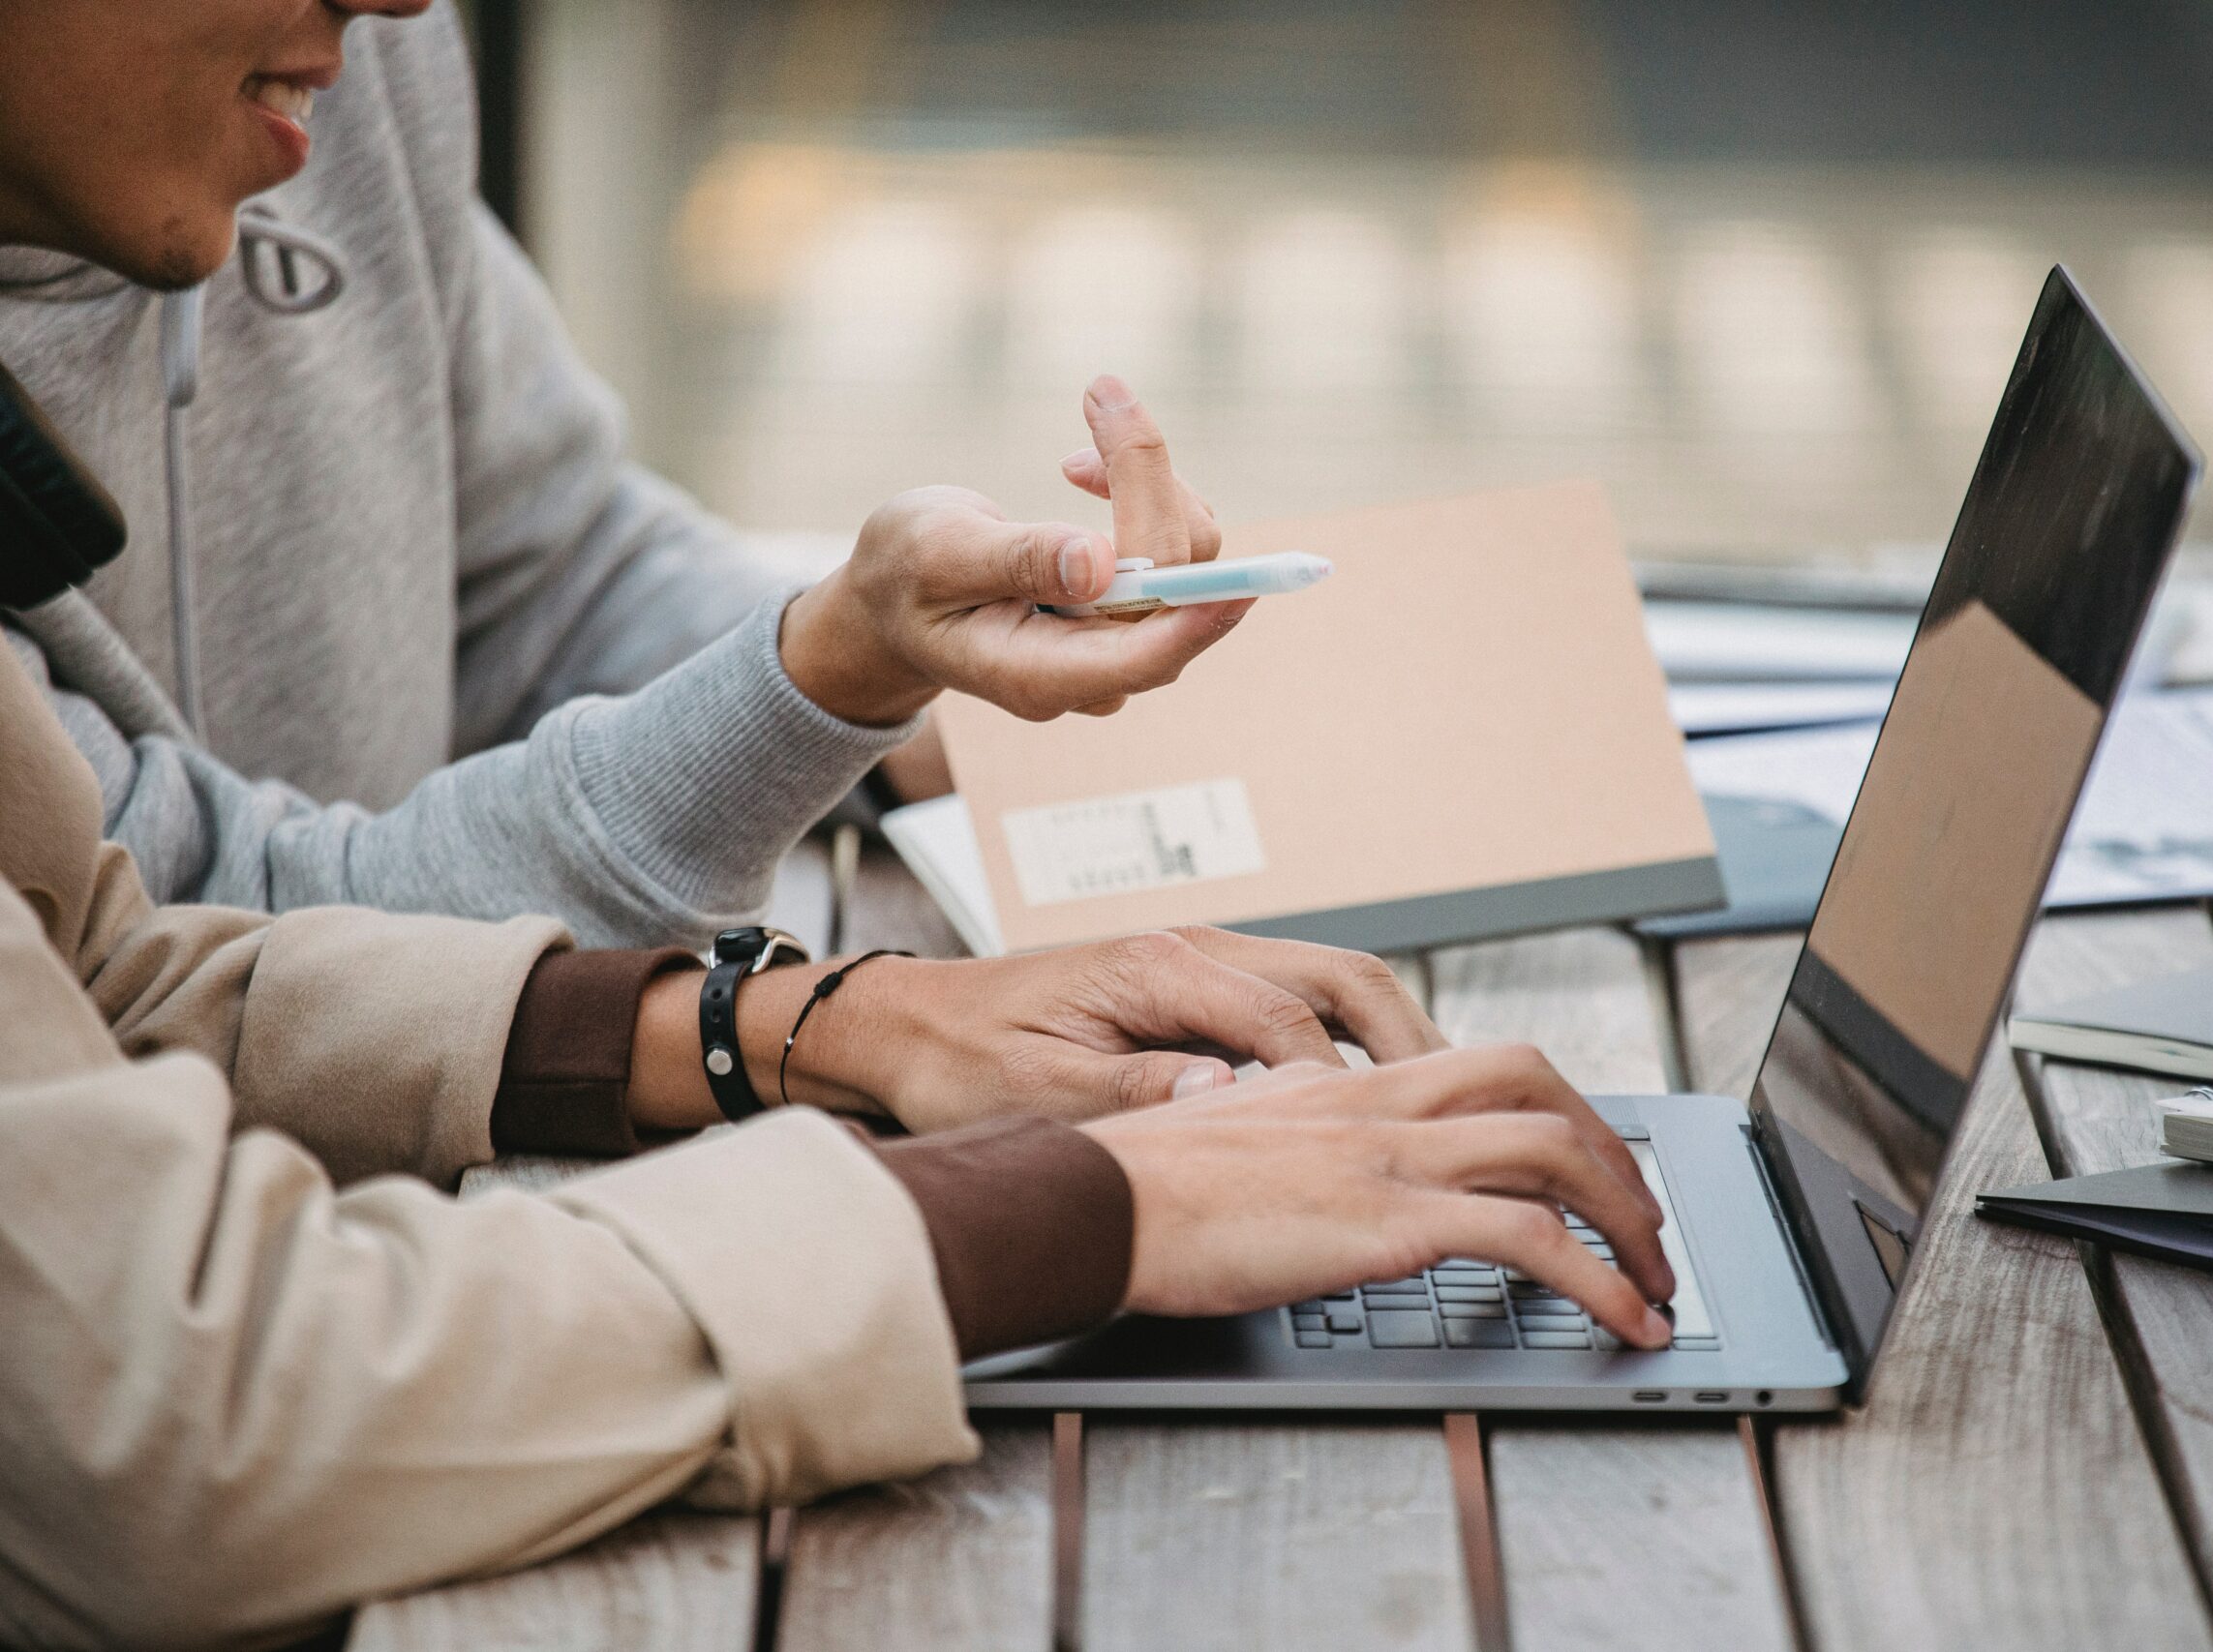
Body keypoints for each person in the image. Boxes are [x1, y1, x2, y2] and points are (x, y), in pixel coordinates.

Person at [0, 3, 1678, 1644]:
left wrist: (807, 992)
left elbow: (125, 962)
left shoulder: (330, 85)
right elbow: (176, 1411)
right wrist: (1084, 1205)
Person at [0, 0, 1231, 949]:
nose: (399, 6)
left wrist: (934, 676)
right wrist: (824, 676)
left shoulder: (339, 83)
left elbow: (547, 569)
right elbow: (194, 946)